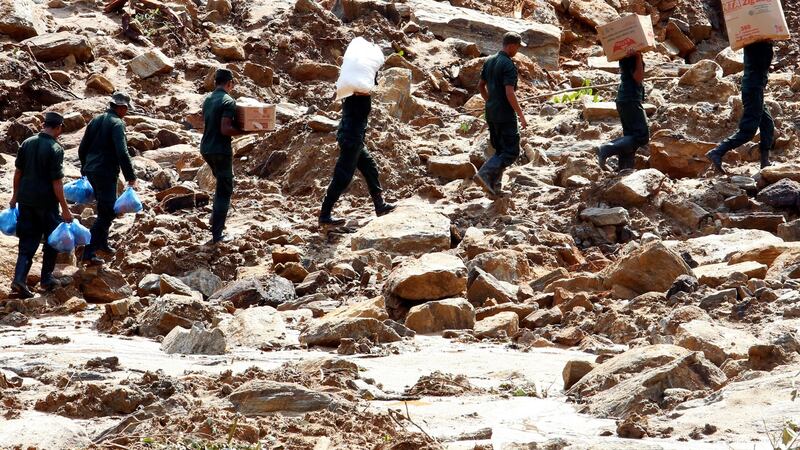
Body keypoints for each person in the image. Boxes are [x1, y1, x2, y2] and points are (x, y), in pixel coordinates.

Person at [9, 112, 73, 298]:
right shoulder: (55, 148)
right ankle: (46, 279)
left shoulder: (27, 143)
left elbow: (17, 173)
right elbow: (57, 183)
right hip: (46, 203)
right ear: (59, 128)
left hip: (26, 201)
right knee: (52, 240)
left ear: (44, 125)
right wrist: (66, 209)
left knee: (27, 241)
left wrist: (15, 197)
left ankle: (19, 280)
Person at [318, 78, 395, 225]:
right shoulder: (359, 100)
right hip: (351, 140)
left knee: (370, 167)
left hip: (353, 139)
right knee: (342, 176)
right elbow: (364, 108)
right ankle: (324, 215)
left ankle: (379, 205)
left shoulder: (349, 96)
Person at [78, 92, 137, 265]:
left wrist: (85, 167)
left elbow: (82, 148)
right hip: (106, 172)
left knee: (104, 208)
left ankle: (102, 243)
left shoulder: (95, 120)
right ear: (120, 107)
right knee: (108, 212)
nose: (126, 112)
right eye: (125, 109)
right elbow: (122, 151)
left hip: (92, 170)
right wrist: (130, 176)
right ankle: (89, 252)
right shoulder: (117, 124)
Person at [706, 41, 774, 173]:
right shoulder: (758, 45)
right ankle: (717, 152)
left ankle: (765, 162)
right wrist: (768, 44)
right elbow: (764, 62)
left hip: (754, 89)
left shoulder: (751, 43)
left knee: (767, 124)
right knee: (748, 131)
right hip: (753, 90)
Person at [474, 32, 528, 197]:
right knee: (511, 151)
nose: (517, 51)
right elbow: (509, 92)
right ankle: (484, 174)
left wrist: (490, 101)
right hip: (505, 114)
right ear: (511, 46)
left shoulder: (489, 61)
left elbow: (480, 86)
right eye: (517, 47)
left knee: (500, 150)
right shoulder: (508, 65)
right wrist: (521, 115)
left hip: (491, 112)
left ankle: (494, 186)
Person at [200, 68, 247, 243]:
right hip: (220, 150)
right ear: (229, 83)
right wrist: (246, 130)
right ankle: (217, 234)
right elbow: (225, 129)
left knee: (221, 184)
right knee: (224, 191)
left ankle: (215, 219)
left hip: (206, 148)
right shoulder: (228, 101)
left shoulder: (208, 100)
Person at [597, 51, 648, 172]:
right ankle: (606, 149)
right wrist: (638, 57)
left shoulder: (625, 53)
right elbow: (638, 78)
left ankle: (625, 169)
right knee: (641, 136)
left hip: (624, 98)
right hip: (630, 99)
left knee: (630, 135)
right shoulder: (631, 55)